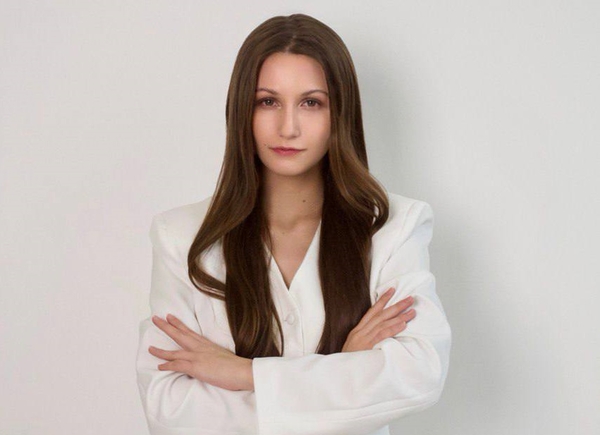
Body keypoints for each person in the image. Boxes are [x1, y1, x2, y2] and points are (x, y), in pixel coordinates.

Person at [135, 13, 451, 435]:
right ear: (242, 111)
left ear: (339, 113)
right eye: (268, 102)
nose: (288, 127)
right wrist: (346, 369)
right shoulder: (181, 236)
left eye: (311, 103)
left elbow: (418, 373)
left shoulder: (393, 227)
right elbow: (171, 412)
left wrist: (244, 374)